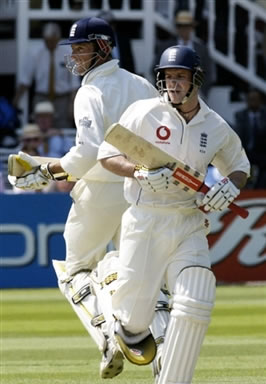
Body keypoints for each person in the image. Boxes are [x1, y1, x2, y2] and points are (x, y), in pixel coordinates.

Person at [9, 17, 169, 380]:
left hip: (100, 191)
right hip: (141, 191)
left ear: (103, 47)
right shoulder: (142, 85)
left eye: (82, 48)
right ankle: (165, 346)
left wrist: (47, 171)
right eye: (74, 49)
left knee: (76, 270)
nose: (76, 56)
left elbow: (88, 154)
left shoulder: (91, 91)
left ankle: (108, 338)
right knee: (142, 274)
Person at [95, 45, 250, 383]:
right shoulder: (144, 112)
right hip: (145, 219)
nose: (172, 84)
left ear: (196, 80)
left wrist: (231, 185)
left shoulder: (216, 125)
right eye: (166, 77)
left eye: (179, 77)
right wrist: (138, 170)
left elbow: (239, 166)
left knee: (196, 298)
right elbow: (107, 155)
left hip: (189, 222)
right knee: (134, 328)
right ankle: (110, 277)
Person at [13, 23, 80, 129]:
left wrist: (72, 106)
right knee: (39, 130)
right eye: (48, 40)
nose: (50, 43)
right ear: (44, 39)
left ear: (58, 39)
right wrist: (15, 101)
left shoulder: (68, 52)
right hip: (42, 97)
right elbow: (25, 80)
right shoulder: (34, 52)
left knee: (63, 130)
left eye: (53, 40)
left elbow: (74, 83)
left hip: (62, 99)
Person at [153, 10, 216, 100]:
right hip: (171, 92)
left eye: (187, 26)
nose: (184, 29)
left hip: (196, 93)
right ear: (177, 28)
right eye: (181, 26)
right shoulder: (166, 47)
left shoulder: (201, 48)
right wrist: (164, 90)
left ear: (191, 28)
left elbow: (209, 72)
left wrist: (202, 91)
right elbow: (156, 69)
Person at [234, 88, 266, 188]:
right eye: (250, 99)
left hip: (262, 151)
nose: (253, 102)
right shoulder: (240, 115)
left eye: (255, 99)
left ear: (260, 101)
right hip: (246, 151)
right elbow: (238, 134)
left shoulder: (264, 114)